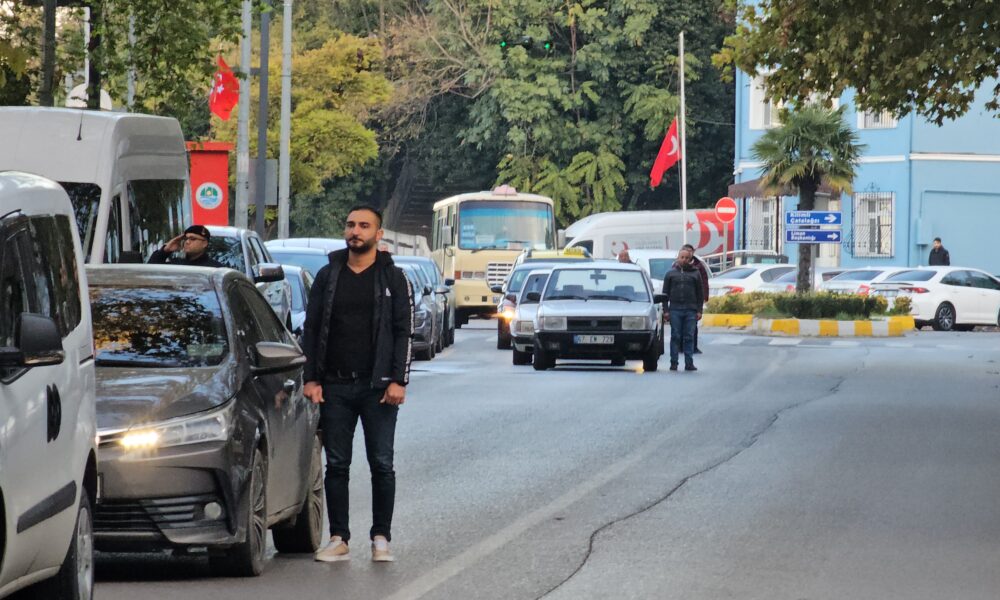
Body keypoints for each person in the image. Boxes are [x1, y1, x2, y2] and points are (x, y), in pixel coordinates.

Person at [301, 205, 413, 564]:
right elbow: (311, 329)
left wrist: (398, 380)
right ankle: (339, 538)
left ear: (378, 235)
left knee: (381, 463)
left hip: (379, 389)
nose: (355, 231)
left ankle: (381, 538)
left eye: (364, 226)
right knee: (337, 465)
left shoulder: (393, 278)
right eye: (351, 225)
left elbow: (403, 332)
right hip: (335, 387)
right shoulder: (328, 275)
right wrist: (311, 378)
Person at [662, 248, 703, 372]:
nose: (684, 260)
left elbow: (700, 293)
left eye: (687, 258)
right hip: (675, 310)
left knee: (689, 336)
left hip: (691, 310)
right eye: (682, 257)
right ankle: (674, 363)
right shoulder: (670, 274)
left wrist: (699, 310)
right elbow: (665, 294)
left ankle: (689, 363)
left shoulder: (695, 273)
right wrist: (666, 310)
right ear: (678, 258)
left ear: (690, 259)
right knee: (675, 336)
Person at [147, 225, 223, 267]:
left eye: (192, 239)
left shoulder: (215, 268)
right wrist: (165, 251)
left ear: (204, 243)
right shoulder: (176, 264)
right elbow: (151, 271)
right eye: (186, 239)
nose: (187, 242)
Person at [681, 244, 710, 354]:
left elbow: (704, 282)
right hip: (680, 300)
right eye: (685, 251)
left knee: (693, 325)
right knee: (679, 326)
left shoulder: (698, 266)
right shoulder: (677, 266)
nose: (688, 254)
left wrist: (705, 296)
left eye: (690, 251)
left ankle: (693, 347)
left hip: (694, 300)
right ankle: (680, 346)